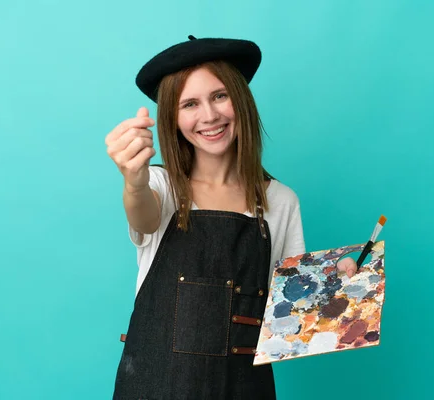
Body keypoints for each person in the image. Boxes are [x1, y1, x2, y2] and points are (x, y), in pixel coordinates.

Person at [105, 35, 358, 400]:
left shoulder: (280, 200)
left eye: (219, 96)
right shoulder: (160, 185)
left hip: (242, 388)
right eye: (189, 103)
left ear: (240, 99)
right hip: (152, 384)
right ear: (172, 119)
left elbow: (287, 318)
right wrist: (134, 180)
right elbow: (143, 216)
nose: (209, 116)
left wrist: (336, 287)